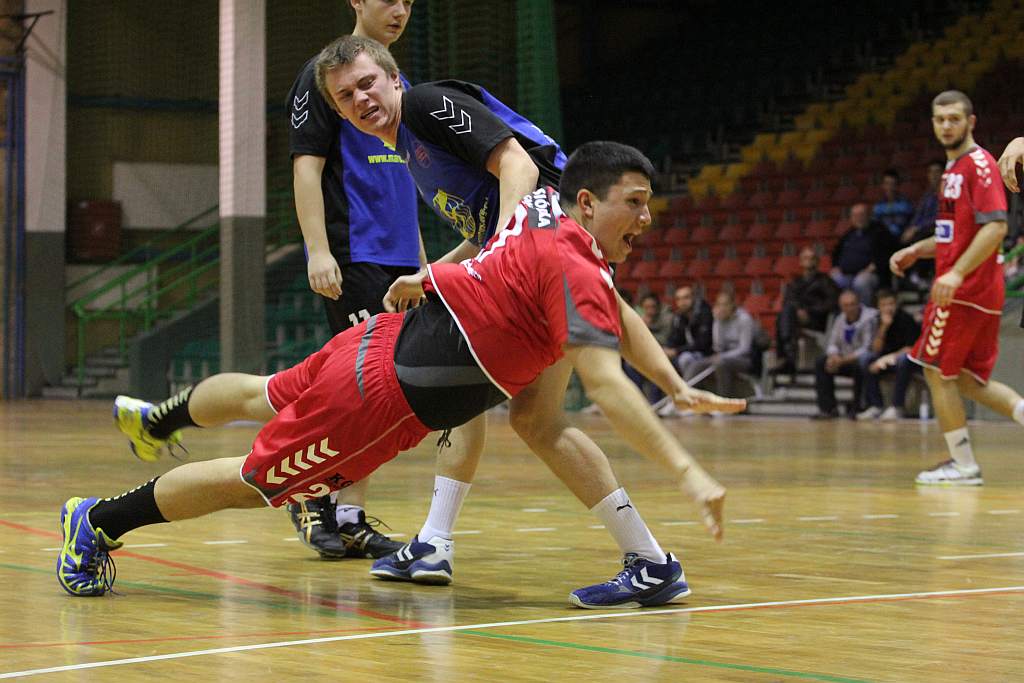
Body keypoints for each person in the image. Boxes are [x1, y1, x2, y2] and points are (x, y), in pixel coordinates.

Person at [58, 143, 743, 610]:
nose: (647, 219)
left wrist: (674, 381)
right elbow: (605, 382)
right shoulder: (575, 267)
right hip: (378, 399)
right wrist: (688, 470)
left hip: (380, 338)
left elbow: (616, 313)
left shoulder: (543, 211)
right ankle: (97, 520)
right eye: (637, 203)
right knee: (254, 483)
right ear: (589, 202)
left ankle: (158, 421)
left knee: (264, 395)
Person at [314, 35, 728, 592]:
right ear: (340, 111)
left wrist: (499, 256)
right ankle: (647, 561)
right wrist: (437, 269)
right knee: (534, 417)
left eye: (368, 82)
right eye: (346, 95)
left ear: (394, 80)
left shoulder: (425, 104)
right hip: (538, 249)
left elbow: (518, 168)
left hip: (545, 244)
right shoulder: (411, 149)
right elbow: (493, 224)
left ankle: (439, 542)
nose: (361, 97)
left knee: (507, 392)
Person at [112, 1, 420, 562]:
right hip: (354, 256)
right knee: (357, 394)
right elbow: (307, 165)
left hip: (400, 262)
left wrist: (423, 262)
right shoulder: (327, 77)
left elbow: (408, 183)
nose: (398, 9)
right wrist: (319, 250)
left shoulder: (397, 80)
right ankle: (320, 501)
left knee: (303, 388)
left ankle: (160, 418)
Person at [890, 90, 1024, 485]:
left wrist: (956, 274)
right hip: (974, 289)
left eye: (954, 118)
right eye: (940, 119)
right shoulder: (953, 172)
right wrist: (918, 249)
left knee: (935, 371)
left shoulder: (977, 165)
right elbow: (955, 236)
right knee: (968, 381)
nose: (946, 125)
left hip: (966, 290)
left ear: (971, 122)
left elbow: (996, 226)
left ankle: (963, 465)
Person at [771, 246, 840, 374]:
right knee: (785, 313)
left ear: (817, 262)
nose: (809, 261)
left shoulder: (826, 281)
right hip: (795, 318)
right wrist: (800, 311)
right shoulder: (794, 282)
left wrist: (809, 312)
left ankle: (787, 357)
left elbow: (832, 303)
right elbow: (788, 300)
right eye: (806, 258)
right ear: (800, 262)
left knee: (783, 317)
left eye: (812, 258)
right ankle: (789, 356)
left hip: (818, 320)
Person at [855, 289, 921, 420]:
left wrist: (884, 360)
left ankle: (897, 406)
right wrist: (884, 327)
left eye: (891, 304)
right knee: (865, 359)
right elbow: (875, 349)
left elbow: (910, 348)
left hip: (905, 360)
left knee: (904, 359)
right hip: (885, 360)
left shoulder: (906, 319)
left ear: (896, 304)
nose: (888, 308)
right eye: (884, 305)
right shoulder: (875, 320)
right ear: (878, 307)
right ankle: (876, 405)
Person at [811, 290, 878, 419]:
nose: (850, 308)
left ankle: (858, 407)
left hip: (861, 360)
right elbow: (832, 343)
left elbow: (867, 348)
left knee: (862, 363)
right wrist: (834, 356)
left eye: (853, 304)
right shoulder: (840, 319)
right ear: (841, 307)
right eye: (846, 305)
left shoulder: (869, 318)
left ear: (859, 304)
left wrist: (843, 360)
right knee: (821, 362)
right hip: (843, 359)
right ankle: (828, 408)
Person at [679, 291, 755, 399]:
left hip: (744, 359)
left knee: (721, 363)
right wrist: (717, 322)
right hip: (722, 357)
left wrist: (723, 356)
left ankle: (723, 400)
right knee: (696, 364)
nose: (722, 308)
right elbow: (718, 346)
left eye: (725, 304)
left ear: (733, 304)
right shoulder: (719, 319)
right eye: (719, 304)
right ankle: (684, 397)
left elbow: (744, 349)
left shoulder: (744, 319)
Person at [830, 203, 892, 305]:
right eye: (855, 216)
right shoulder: (848, 234)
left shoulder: (880, 231)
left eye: (861, 215)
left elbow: (888, 253)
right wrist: (835, 266)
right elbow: (836, 252)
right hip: (847, 273)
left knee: (860, 282)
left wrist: (875, 265)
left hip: (871, 273)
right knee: (835, 279)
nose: (858, 218)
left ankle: (864, 312)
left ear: (868, 215)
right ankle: (842, 312)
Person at [873, 169, 915, 240]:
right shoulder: (878, 207)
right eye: (887, 184)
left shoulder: (906, 205)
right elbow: (875, 226)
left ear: (898, 186)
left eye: (893, 184)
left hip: (902, 240)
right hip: (883, 241)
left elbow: (912, 224)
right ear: (883, 185)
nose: (890, 187)